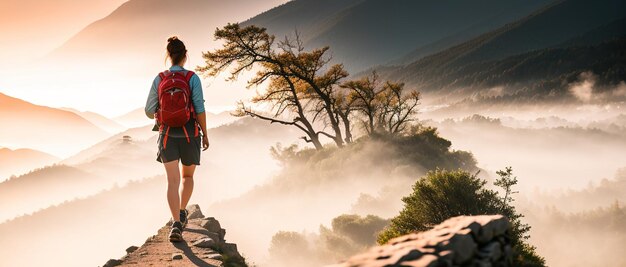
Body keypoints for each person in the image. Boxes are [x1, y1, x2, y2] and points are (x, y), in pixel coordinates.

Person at [145, 36, 210, 242]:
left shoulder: (160, 78)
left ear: (168, 55)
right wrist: (205, 133)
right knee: (187, 178)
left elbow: (148, 111)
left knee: (172, 181)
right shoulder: (192, 78)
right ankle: (182, 212)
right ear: (185, 55)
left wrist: (162, 111)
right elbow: (199, 108)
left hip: (166, 136)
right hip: (190, 134)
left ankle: (175, 222)